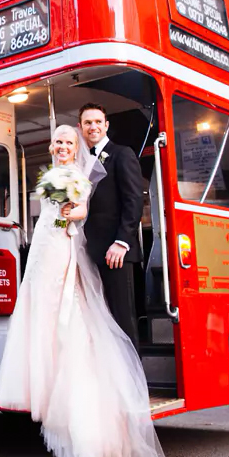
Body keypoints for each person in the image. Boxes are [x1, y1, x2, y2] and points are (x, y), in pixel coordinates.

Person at [0, 124, 166, 457]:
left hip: (58, 247)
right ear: (52, 145)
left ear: (76, 148)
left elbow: (78, 213)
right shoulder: (53, 173)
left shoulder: (75, 174)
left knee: (62, 308)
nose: (62, 146)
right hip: (44, 248)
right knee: (41, 308)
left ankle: (60, 390)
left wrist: (66, 219)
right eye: (58, 141)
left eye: (68, 142)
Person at [78, 102, 144, 347]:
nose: (93, 127)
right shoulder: (80, 163)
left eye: (97, 122)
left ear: (106, 125)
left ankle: (133, 384)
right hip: (88, 252)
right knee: (97, 318)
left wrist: (122, 242)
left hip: (115, 252)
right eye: (87, 123)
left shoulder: (122, 154)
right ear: (81, 127)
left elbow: (134, 200)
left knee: (122, 318)